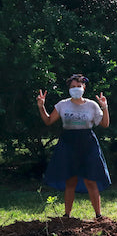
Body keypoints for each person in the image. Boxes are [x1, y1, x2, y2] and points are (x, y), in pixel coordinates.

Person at [37, 74, 111, 218]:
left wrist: (105, 107)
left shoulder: (92, 105)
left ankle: (98, 216)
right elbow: (48, 120)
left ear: (84, 87)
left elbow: (105, 124)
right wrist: (41, 107)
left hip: (88, 143)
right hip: (68, 143)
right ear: (69, 89)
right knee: (70, 180)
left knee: (91, 180)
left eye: (78, 86)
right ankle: (67, 215)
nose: (76, 89)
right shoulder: (62, 104)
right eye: (73, 87)